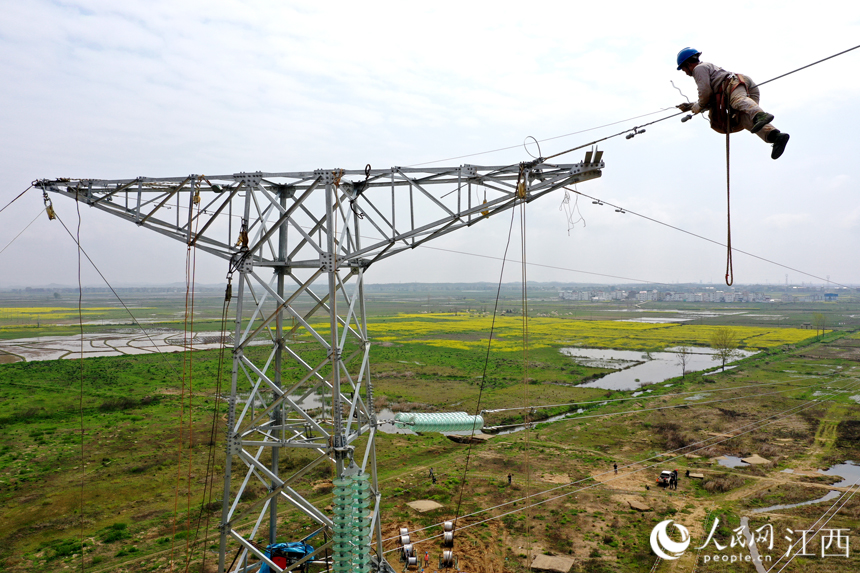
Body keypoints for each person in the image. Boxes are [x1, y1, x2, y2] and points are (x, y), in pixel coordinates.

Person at [675, 47, 790, 160]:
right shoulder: (707, 67)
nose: (685, 73)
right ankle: (775, 137)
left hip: (733, 84)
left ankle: (761, 115)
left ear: (688, 64)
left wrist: (699, 106)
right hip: (743, 84)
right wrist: (691, 106)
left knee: (737, 101)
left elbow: (705, 92)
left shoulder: (699, 69)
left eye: (684, 69)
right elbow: (711, 99)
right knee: (745, 118)